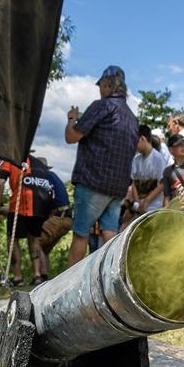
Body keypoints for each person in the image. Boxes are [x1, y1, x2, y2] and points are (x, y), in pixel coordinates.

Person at [64, 65, 139, 266]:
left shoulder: (102, 106)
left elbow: (72, 137)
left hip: (93, 183)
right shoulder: (132, 118)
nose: (99, 89)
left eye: (101, 85)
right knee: (110, 237)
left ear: (107, 85)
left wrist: (72, 119)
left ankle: (66, 286)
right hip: (117, 188)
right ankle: (114, 283)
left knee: (81, 235)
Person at [0, 156, 53, 286]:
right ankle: (37, 275)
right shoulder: (39, 163)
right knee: (34, 240)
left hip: (19, 206)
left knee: (13, 240)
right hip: (40, 207)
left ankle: (17, 277)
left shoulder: (11, 160)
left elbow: (0, 183)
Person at [126, 124, 168, 223]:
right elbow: (134, 182)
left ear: (142, 138)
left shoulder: (158, 158)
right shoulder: (136, 159)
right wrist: (136, 201)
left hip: (154, 207)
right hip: (139, 208)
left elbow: (162, 183)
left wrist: (147, 201)